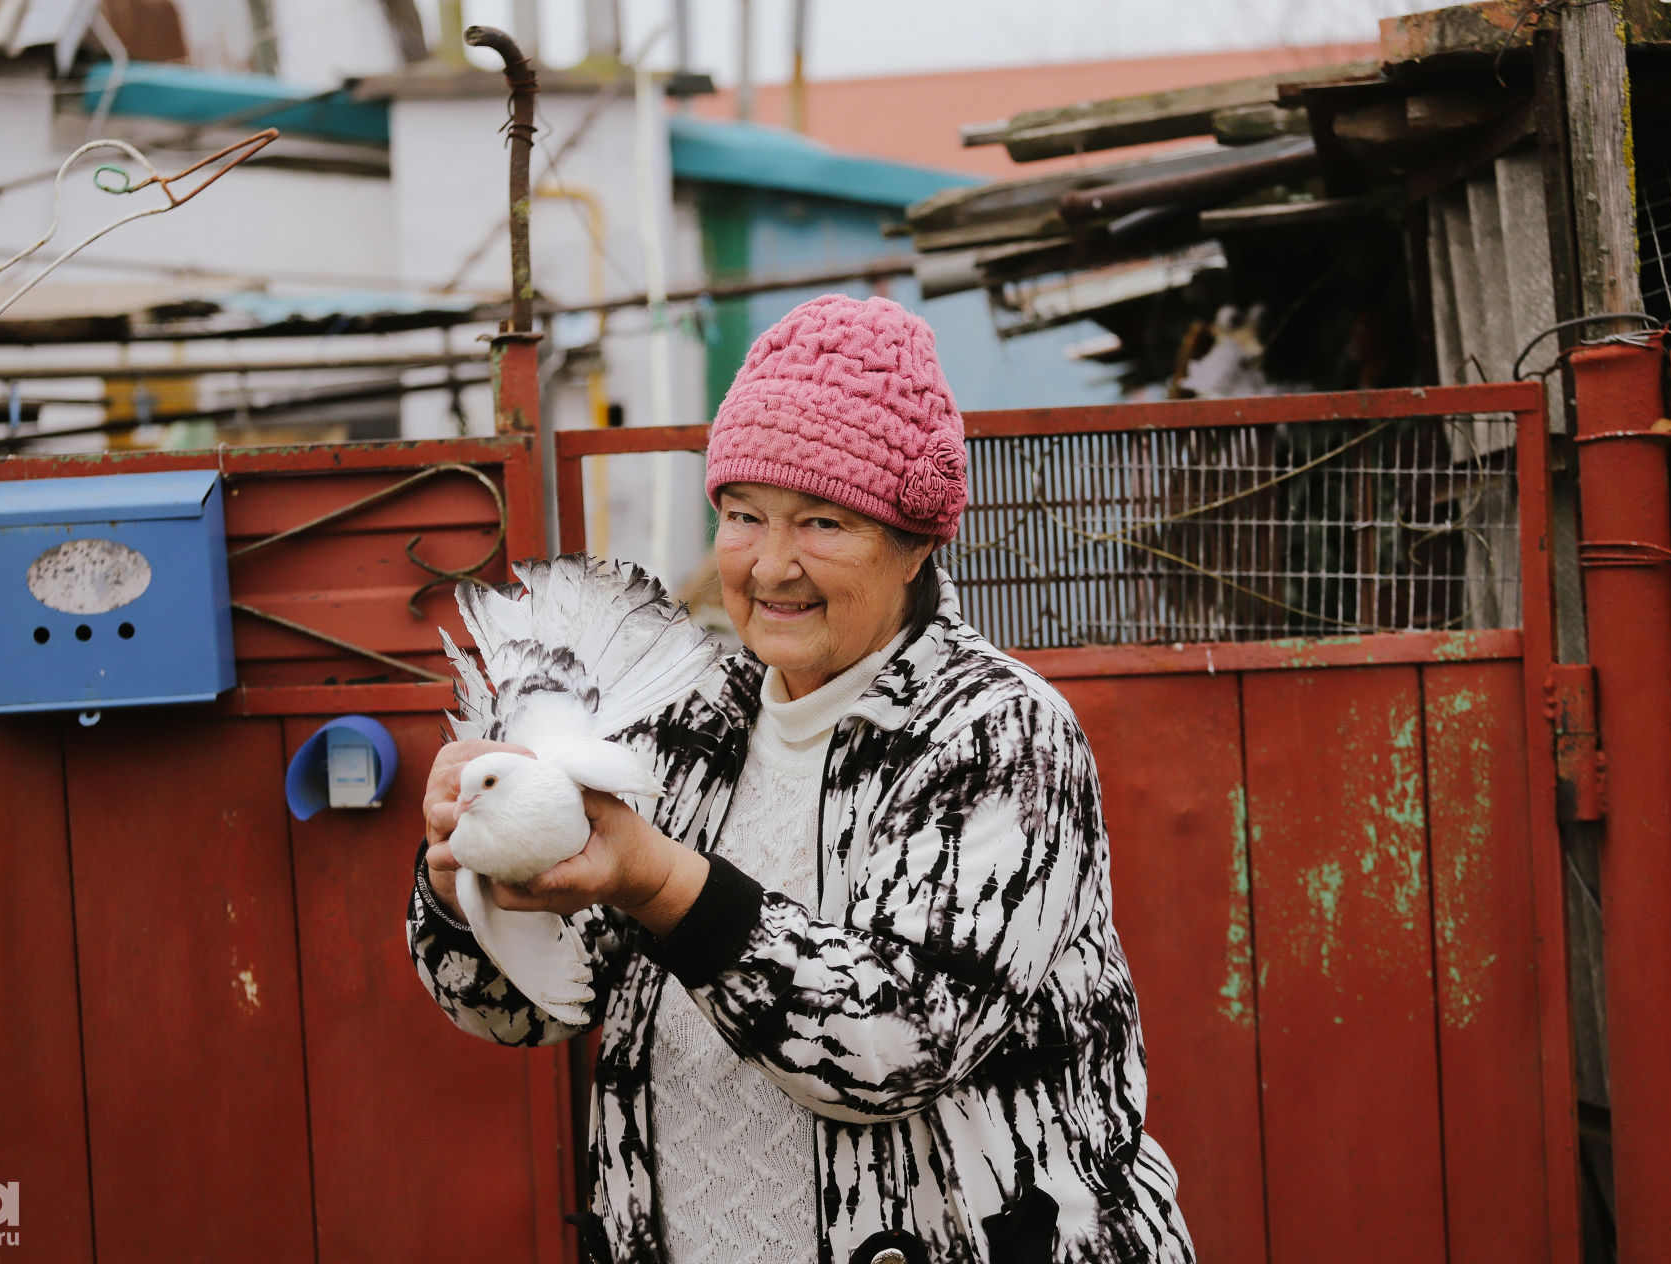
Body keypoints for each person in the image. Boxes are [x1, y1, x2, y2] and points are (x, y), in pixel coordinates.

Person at [406, 294, 1194, 1264]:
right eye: (742, 515)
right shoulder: (682, 727)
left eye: (820, 520)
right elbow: (524, 1009)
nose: (771, 564)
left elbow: (896, 1045)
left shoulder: (997, 735)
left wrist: (661, 882)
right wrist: (464, 883)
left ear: (915, 544)